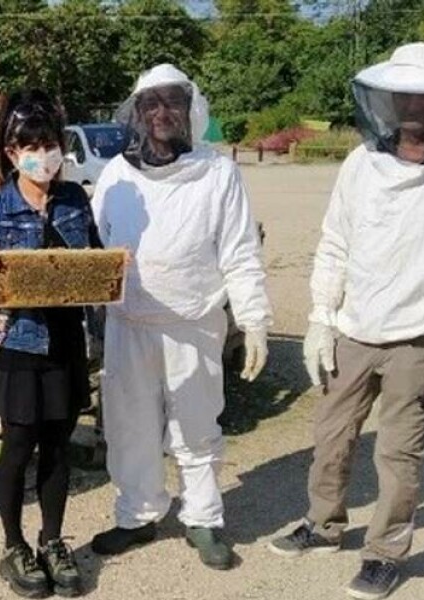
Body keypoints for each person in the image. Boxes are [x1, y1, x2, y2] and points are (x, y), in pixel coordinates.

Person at [269, 43, 424, 600]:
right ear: (388, 100)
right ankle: (323, 526)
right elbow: (336, 244)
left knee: (398, 451)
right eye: (406, 94)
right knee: (331, 436)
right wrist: (321, 318)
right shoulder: (360, 163)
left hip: (421, 339)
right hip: (354, 329)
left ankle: (384, 552)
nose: (415, 105)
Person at [88, 64, 272, 570]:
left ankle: (203, 517)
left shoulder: (219, 173)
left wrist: (254, 319)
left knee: (195, 424)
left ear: (190, 110)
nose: (162, 113)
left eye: (172, 102)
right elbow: (94, 248)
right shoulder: (116, 175)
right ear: (138, 113)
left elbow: (238, 252)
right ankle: (136, 515)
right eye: (151, 104)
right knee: (130, 427)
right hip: (128, 325)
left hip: (194, 322)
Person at [0, 89, 95, 599]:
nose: (42, 155)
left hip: (64, 342)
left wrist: (109, 270)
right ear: (12, 153)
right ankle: (14, 545)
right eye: (29, 146)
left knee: (58, 446)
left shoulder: (76, 199)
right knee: (18, 446)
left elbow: (96, 259)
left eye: (49, 143)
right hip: (17, 342)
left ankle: (53, 539)